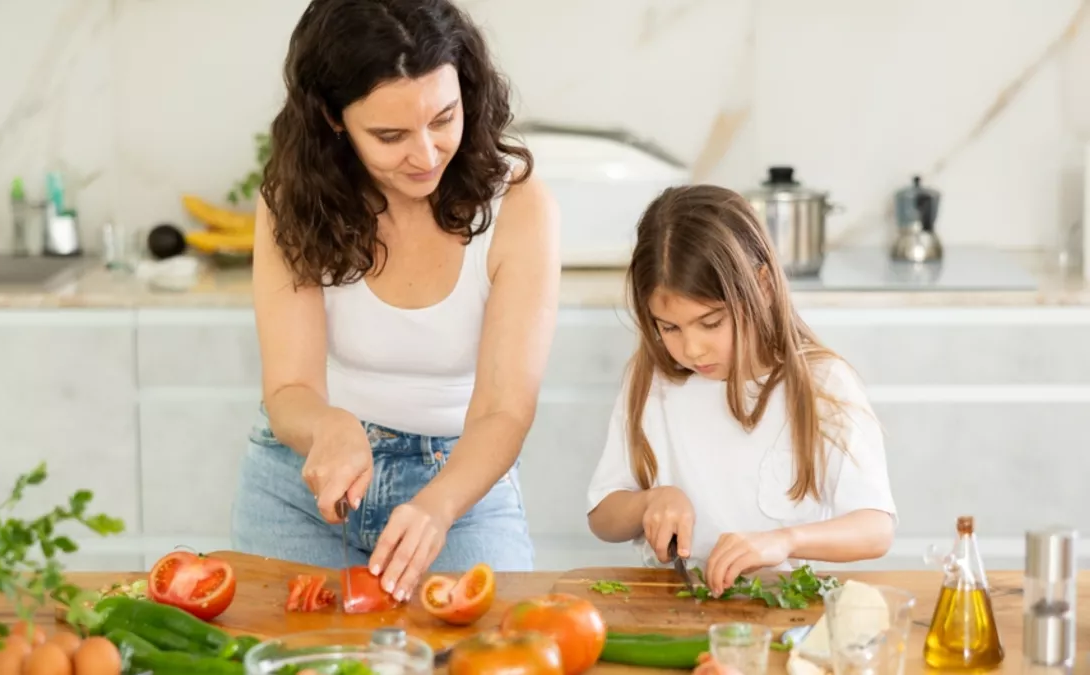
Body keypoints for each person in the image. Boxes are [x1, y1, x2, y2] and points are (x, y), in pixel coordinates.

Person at [232, 0, 561, 604]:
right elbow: (290, 391)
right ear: (333, 118)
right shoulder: (293, 199)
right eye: (390, 135)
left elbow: (503, 410)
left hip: (460, 489)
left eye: (443, 118)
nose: (427, 154)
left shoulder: (517, 203)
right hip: (302, 489)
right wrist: (331, 428)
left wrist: (437, 507)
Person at [585, 184, 895, 597]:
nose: (691, 348)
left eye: (711, 322)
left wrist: (786, 540)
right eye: (669, 327)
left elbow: (876, 528)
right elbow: (602, 516)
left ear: (763, 285)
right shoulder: (652, 381)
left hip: (788, 606)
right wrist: (649, 502)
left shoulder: (822, 383)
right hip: (679, 604)